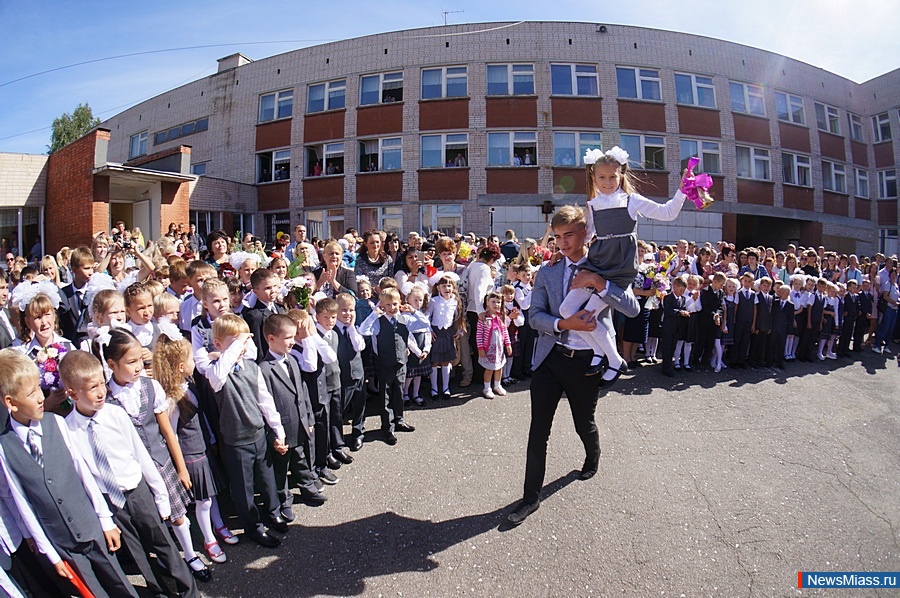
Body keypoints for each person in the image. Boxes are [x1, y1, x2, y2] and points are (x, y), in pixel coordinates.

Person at [508, 205, 639, 527]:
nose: (563, 243)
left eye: (569, 235)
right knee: (538, 431)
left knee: (585, 423)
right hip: (551, 360)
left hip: (587, 364)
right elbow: (535, 316)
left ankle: (592, 456)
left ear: (585, 234)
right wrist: (564, 323)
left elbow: (633, 309)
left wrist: (600, 283)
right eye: (557, 237)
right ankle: (530, 497)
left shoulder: (605, 267)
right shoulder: (549, 272)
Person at [60, 350, 204, 593]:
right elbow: (86, 477)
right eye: (92, 388)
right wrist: (104, 517)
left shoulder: (115, 414)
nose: (100, 392)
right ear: (73, 394)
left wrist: (160, 495)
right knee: (138, 555)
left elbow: (141, 455)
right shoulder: (69, 430)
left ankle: (189, 591)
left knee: (164, 545)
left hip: (138, 491)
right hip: (112, 502)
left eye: (101, 384)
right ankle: (159, 592)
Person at [0, 349, 138, 597]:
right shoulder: (4, 448)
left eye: (39, 389)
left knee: (121, 586)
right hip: (62, 543)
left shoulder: (57, 424)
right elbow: (22, 503)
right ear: (10, 402)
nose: (42, 398)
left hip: (91, 527)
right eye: (31, 393)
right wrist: (50, 553)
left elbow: (84, 474)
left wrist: (105, 520)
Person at [559, 147, 688, 385]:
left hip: (618, 270)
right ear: (593, 178)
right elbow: (586, 238)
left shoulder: (631, 200)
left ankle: (613, 359)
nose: (607, 182)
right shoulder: (594, 205)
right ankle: (602, 353)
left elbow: (668, 213)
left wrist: (683, 190)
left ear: (621, 175)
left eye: (612, 176)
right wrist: (560, 252)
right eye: (601, 177)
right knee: (567, 311)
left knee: (587, 315)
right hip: (596, 264)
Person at [153, 330, 236, 565]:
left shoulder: (187, 385)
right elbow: (171, 436)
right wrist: (181, 468)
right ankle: (209, 539)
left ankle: (218, 525)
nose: (193, 363)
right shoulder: (172, 399)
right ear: (181, 367)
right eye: (190, 360)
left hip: (203, 447)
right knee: (204, 499)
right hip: (191, 456)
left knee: (212, 494)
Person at [206, 314, 288, 547]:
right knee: (244, 487)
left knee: (267, 478)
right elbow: (218, 375)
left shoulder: (252, 367)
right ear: (219, 345)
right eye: (235, 343)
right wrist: (236, 345)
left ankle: (273, 513)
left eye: (243, 342)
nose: (241, 347)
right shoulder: (216, 372)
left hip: (258, 434)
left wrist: (277, 430)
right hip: (236, 440)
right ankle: (253, 527)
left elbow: (265, 401)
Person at [259, 314, 324, 520]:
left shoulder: (293, 360)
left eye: (293, 337)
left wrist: (309, 419)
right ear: (271, 339)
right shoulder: (264, 369)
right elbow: (264, 405)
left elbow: (302, 393)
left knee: (301, 458)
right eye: (287, 338)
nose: (292, 342)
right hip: (281, 429)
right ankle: (284, 500)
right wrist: (273, 435)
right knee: (281, 468)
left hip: (299, 422)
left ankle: (307, 488)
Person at [358, 288, 420, 446]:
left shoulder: (405, 318)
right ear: (382, 305)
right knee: (384, 395)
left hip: (401, 363)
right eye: (388, 304)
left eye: (395, 303)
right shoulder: (378, 321)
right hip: (385, 363)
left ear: (400, 303)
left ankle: (399, 419)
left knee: (399, 392)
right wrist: (374, 314)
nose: (392, 307)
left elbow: (424, 324)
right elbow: (362, 330)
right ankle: (387, 426)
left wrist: (414, 312)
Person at [334, 293, 366, 452]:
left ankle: (358, 432)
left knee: (360, 405)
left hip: (358, 373)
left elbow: (359, 346)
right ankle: (337, 439)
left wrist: (352, 326)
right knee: (341, 409)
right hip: (343, 376)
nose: (348, 314)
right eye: (344, 310)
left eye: (351, 310)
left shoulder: (354, 328)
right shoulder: (332, 331)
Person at [428, 274, 465, 400]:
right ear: (438, 288)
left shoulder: (455, 301)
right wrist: (429, 330)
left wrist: (459, 331)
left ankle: (445, 387)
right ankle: (434, 388)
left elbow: (459, 318)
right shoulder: (434, 301)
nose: (447, 288)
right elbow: (427, 316)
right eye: (444, 286)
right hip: (436, 333)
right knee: (434, 362)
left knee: (446, 361)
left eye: (449, 285)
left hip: (447, 333)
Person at [476, 290, 513, 399]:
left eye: (498, 302)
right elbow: (479, 334)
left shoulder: (501, 316)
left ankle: (497, 385)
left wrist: (508, 344)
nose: (496, 304)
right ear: (487, 302)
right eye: (493, 302)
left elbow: (505, 331)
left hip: (499, 348)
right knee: (489, 368)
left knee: (499, 367)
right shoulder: (483, 318)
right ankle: (487, 387)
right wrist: (480, 348)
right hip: (489, 348)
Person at [402, 286, 432, 405]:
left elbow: (427, 330)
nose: (418, 303)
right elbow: (407, 336)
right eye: (415, 300)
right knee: (410, 374)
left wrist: (426, 349)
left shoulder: (422, 314)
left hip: (422, 347)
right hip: (413, 348)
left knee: (418, 374)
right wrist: (417, 351)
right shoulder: (405, 316)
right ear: (408, 299)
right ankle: (405, 393)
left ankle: (416, 394)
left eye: (420, 300)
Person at [660, 277, 690, 377]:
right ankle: (666, 367)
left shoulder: (683, 299)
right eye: (680, 290)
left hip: (677, 327)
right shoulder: (668, 298)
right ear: (675, 287)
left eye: (683, 291)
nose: (682, 292)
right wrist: (680, 312)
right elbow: (668, 311)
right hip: (668, 327)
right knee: (667, 347)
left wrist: (685, 312)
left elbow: (684, 308)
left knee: (673, 347)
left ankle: (669, 364)